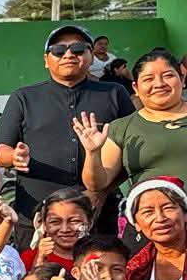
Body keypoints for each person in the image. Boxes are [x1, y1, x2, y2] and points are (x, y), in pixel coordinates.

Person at [0, 22, 132, 230]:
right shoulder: (24, 98)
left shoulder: (114, 93)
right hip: (36, 216)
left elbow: (131, 154)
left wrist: (99, 193)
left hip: (99, 213)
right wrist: (15, 157)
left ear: (91, 56)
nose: (68, 55)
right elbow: (0, 153)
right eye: (58, 50)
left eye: (78, 49)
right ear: (46, 60)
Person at [78, 47, 187, 203]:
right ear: (135, 88)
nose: (159, 84)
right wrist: (93, 153)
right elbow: (96, 184)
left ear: (182, 80)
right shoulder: (122, 127)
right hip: (152, 215)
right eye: (148, 79)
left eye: (168, 76)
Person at [121, 177, 187, 280]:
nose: (160, 218)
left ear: (185, 214)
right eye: (148, 212)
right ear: (136, 223)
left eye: (168, 208)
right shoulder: (134, 270)